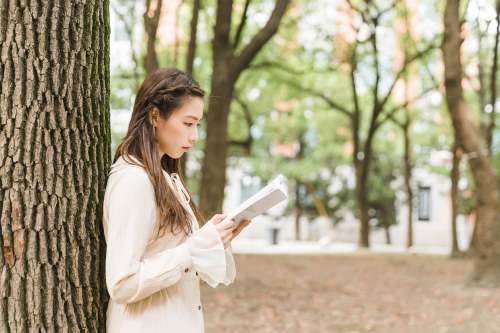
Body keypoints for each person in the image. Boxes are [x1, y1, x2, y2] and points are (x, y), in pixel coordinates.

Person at [102, 68, 251, 332]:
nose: (194, 136)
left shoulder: (166, 178)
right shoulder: (134, 180)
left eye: (197, 125)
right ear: (155, 116)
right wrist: (193, 249)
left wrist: (216, 240)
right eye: (187, 123)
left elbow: (184, 266)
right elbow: (122, 284)